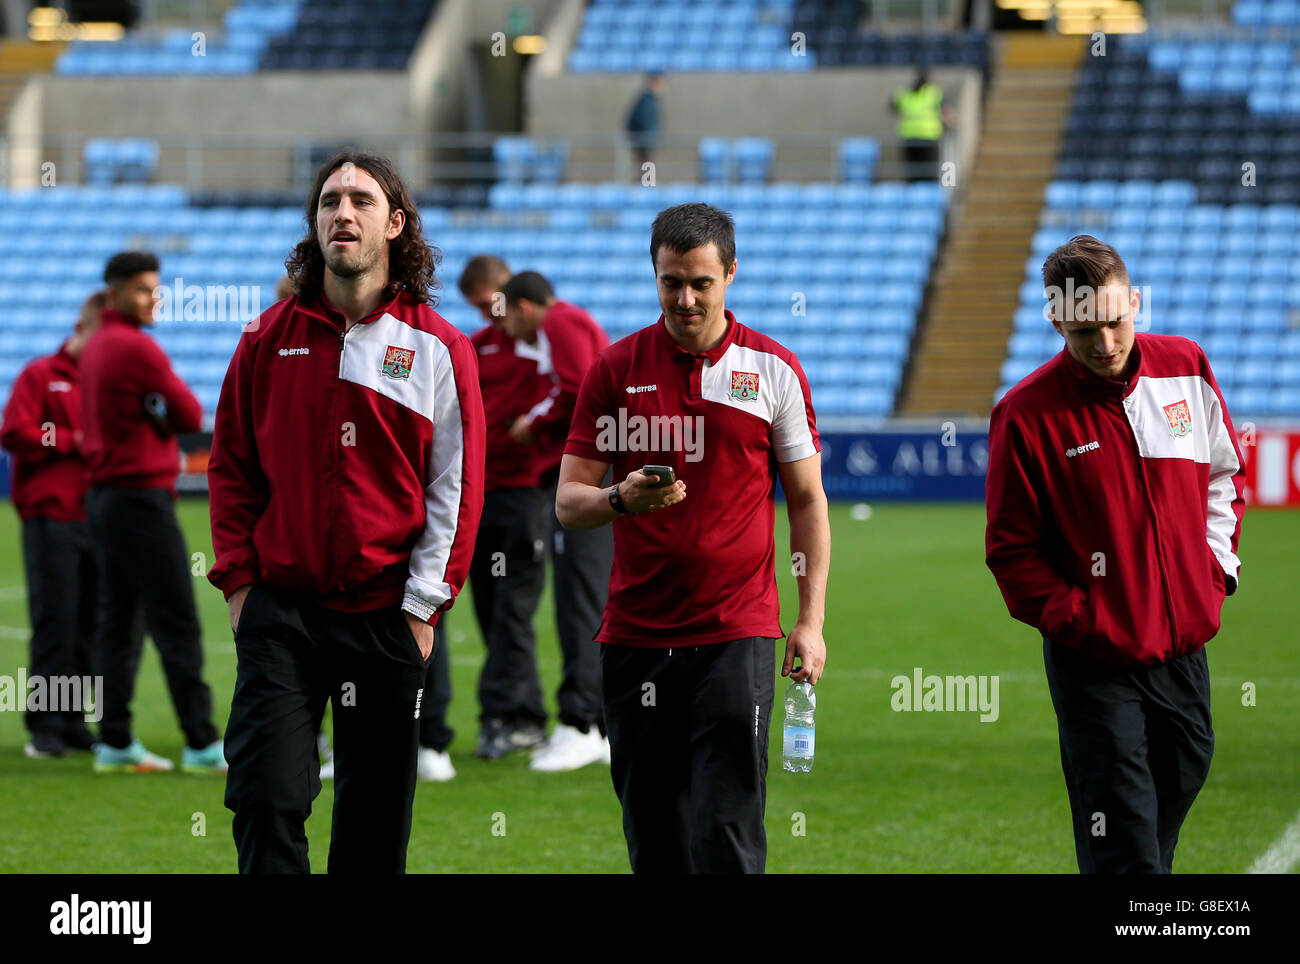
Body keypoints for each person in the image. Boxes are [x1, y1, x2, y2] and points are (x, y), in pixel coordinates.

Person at [208, 150, 485, 874]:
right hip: (281, 613)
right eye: (330, 200)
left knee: (372, 824)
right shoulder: (265, 338)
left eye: (361, 200)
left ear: (395, 224)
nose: (343, 212)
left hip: (386, 616)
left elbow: (456, 487)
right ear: (314, 222)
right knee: (264, 796)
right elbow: (231, 468)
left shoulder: (439, 348)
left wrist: (423, 609)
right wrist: (240, 585)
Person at [556, 203, 830, 873]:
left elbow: (808, 501)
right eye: (670, 281)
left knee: (728, 828)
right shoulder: (615, 370)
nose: (685, 298)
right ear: (654, 275)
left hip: (736, 632)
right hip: (635, 637)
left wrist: (811, 620)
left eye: (701, 282)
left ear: (730, 275)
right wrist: (621, 499)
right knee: (655, 837)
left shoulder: (774, 370)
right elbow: (569, 502)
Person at [985, 235, 1244, 874]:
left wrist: (1214, 572)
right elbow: (1011, 550)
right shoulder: (1025, 414)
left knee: (1175, 790)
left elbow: (1223, 476)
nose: (1103, 343)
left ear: (1134, 301)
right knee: (1123, 829)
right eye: (1082, 331)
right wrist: (1082, 620)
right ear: (1056, 321)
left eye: (1114, 321)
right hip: (1094, 659)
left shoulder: (1187, 366)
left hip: (1183, 647)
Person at [79, 252, 225, 775]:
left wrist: (150, 410)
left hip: (103, 498)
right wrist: (158, 413)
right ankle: (203, 742)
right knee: (176, 619)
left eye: (156, 288)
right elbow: (188, 414)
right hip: (140, 499)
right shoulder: (136, 348)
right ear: (115, 293)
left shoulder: (96, 345)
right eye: (143, 289)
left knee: (119, 622)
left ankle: (114, 741)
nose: (154, 297)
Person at [502, 270, 613, 772]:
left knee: (579, 600)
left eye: (508, 319)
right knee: (591, 597)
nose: (508, 333)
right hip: (595, 475)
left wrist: (534, 423)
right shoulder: (572, 322)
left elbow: (575, 389)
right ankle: (599, 722)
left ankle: (582, 723)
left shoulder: (560, 324)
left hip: (587, 478)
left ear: (525, 307)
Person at [2, 292, 106, 757]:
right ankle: (43, 727)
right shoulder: (41, 375)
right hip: (50, 516)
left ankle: (74, 720)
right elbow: (14, 432)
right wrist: (69, 440)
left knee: (90, 625)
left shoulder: (105, 380)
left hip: (98, 518)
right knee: (55, 623)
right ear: (81, 328)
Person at [458, 254, 551, 759]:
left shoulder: (541, 344)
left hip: (524, 492)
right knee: (492, 611)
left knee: (513, 609)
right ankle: (526, 714)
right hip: (478, 497)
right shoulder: (475, 348)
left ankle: (502, 715)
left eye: (493, 302)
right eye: (477, 307)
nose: (488, 313)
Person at [889, 69, 954, 182]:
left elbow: (892, 108)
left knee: (912, 172)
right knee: (929, 172)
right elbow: (946, 112)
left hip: (909, 136)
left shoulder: (903, 93)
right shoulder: (934, 93)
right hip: (929, 136)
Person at [625, 70, 665, 170]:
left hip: (649, 143)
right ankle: (646, 186)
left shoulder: (650, 100)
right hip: (646, 144)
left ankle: (646, 185)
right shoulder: (646, 101)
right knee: (647, 172)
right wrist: (643, 138)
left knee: (646, 172)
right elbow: (636, 121)